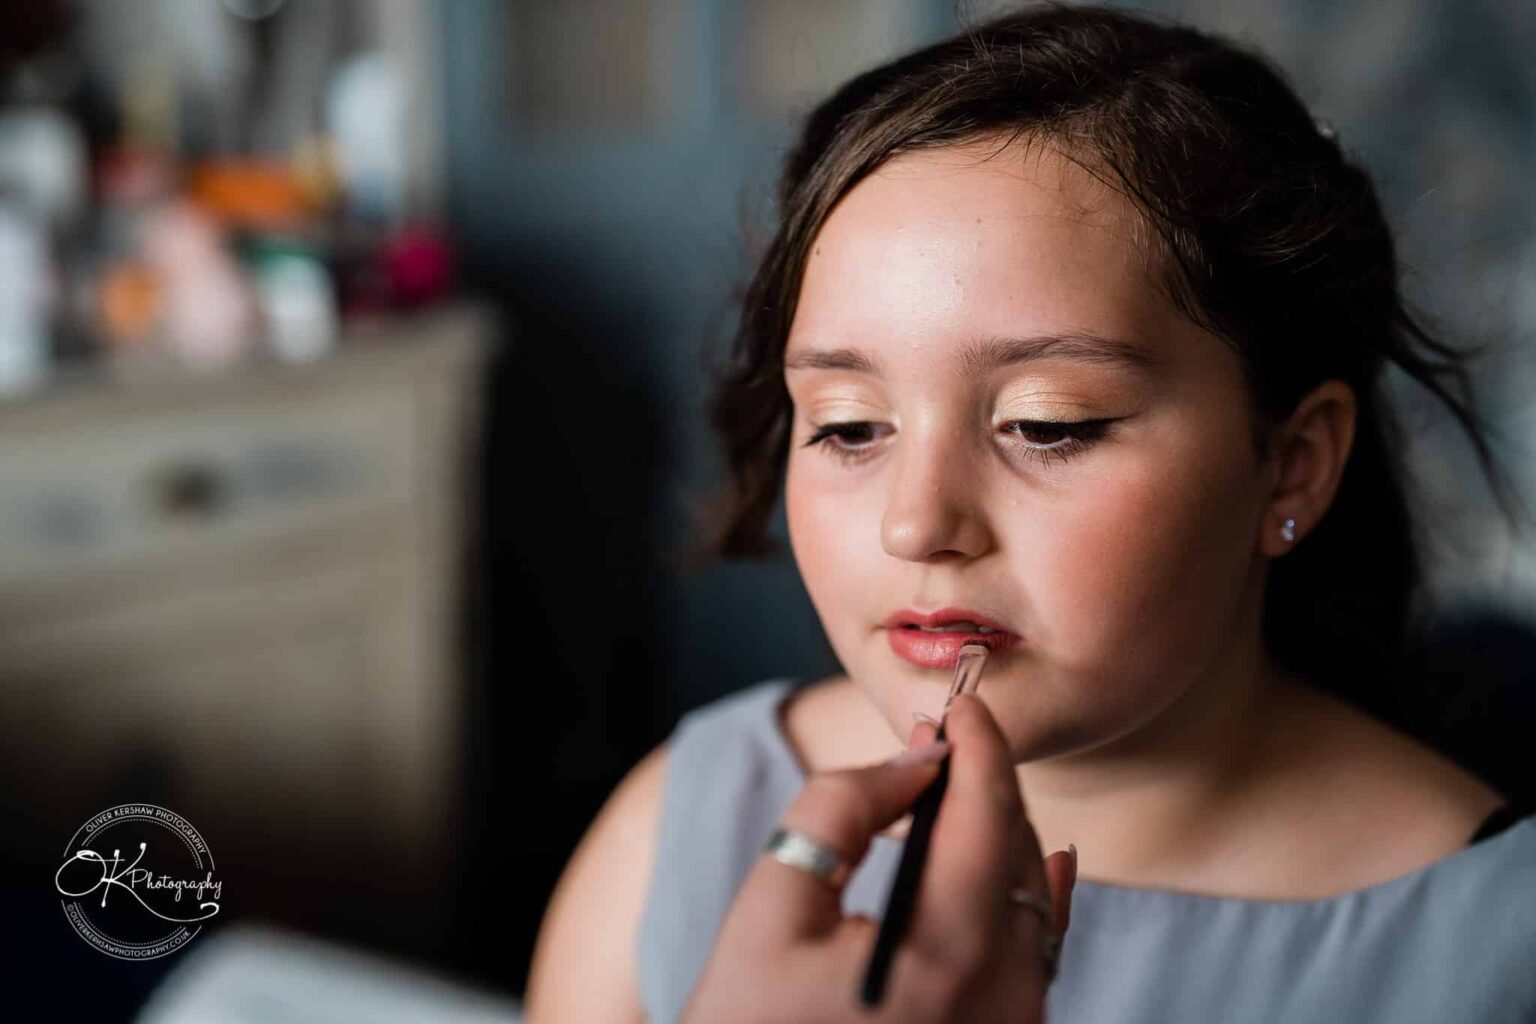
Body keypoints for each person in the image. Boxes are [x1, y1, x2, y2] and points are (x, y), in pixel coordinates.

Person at [522, 4, 1536, 1022]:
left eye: (1048, 425)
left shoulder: (1496, 945)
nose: (917, 526)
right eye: (849, 426)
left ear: (1293, 465)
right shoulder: (679, 830)